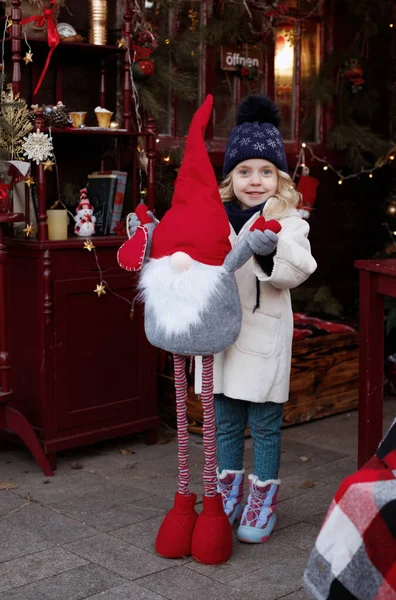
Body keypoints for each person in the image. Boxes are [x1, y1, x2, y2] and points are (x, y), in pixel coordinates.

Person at [210, 95, 317, 544]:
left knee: (266, 426)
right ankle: (228, 490)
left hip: (265, 339)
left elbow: (299, 267)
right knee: (227, 420)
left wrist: (273, 247)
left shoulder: (288, 221)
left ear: (280, 179)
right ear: (230, 177)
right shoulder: (214, 219)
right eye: (244, 171)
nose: (255, 182)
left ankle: (263, 497)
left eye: (266, 172)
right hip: (223, 340)